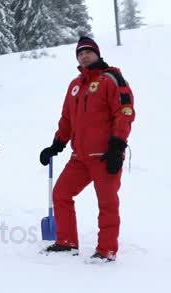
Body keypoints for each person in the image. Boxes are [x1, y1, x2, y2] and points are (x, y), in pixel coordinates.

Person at [39, 36, 135, 262]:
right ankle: (66, 242)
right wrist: (56, 144)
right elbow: (67, 119)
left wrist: (118, 145)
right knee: (61, 193)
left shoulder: (112, 78)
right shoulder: (75, 85)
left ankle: (106, 250)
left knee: (107, 202)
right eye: (80, 53)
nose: (84, 55)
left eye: (88, 51)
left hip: (105, 155)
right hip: (79, 157)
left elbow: (125, 112)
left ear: (97, 54)